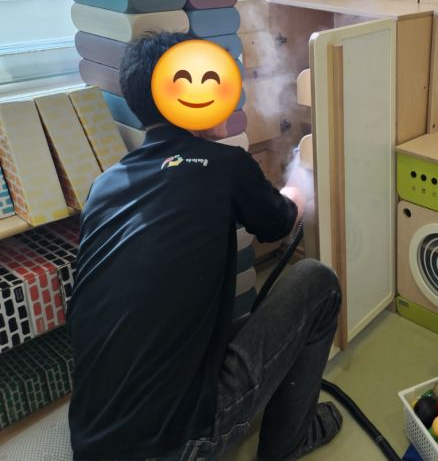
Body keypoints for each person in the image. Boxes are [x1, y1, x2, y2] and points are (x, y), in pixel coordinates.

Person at [68, 32, 342, 461]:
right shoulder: (223, 164)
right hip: (175, 448)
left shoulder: (104, 186)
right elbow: (279, 221)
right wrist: (297, 185)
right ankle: (289, 444)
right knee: (317, 281)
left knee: (232, 323)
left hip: (91, 441)